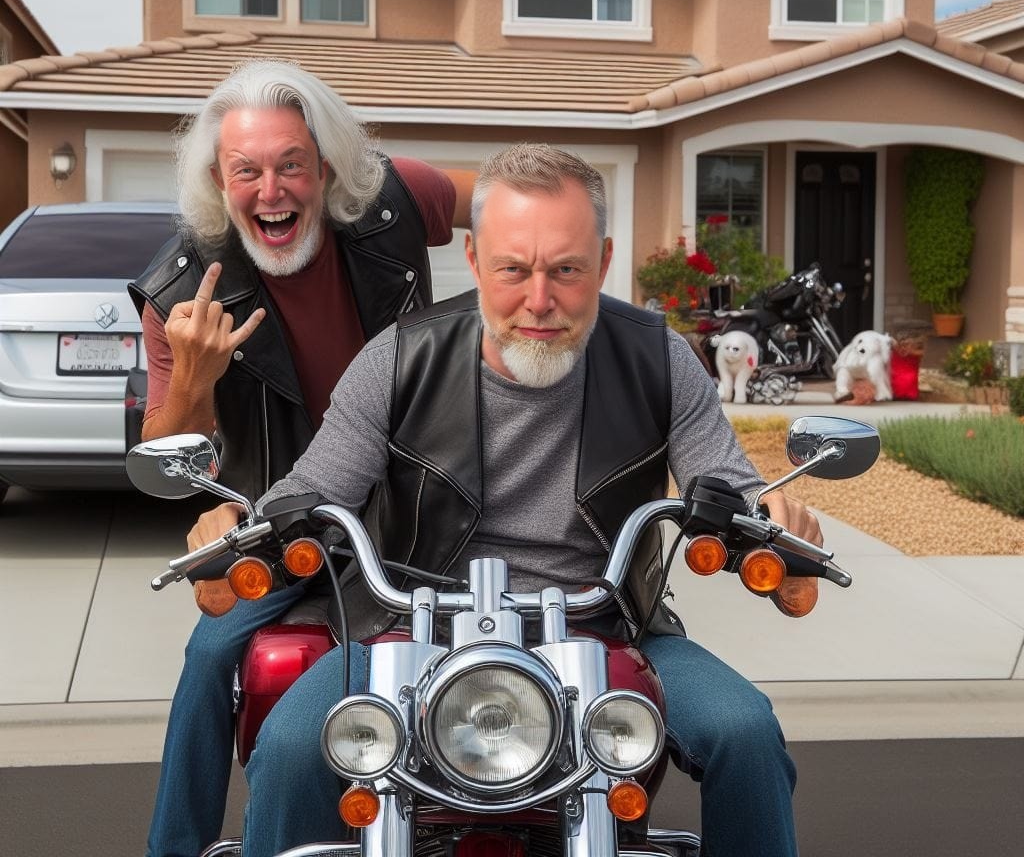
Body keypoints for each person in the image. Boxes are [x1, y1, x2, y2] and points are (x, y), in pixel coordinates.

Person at [191, 143, 823, 857]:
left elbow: (730, 487)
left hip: (608, 626)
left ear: (605, 262)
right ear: (475, 260)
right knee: (290, 746)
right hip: (414, 630)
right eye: (514, 270)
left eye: (567, 270)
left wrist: (777, 531)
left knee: (747, 733)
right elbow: (314, 489)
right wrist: (238, 528)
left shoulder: (658, 358)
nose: (540, 300)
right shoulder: (401, 358)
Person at [128, 58, 473, 857]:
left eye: (291, 164)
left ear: (327, 166)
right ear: (220, 179)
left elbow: (517, 202)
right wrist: (198, 379)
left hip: (421, 511)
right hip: (286, 523)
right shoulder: (182, 291)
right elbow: (163, 457)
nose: (271, 190)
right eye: (246, 170)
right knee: (212, 657)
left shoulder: (393, 198)